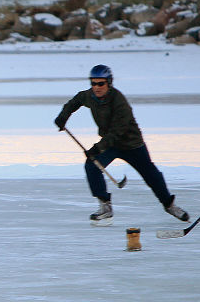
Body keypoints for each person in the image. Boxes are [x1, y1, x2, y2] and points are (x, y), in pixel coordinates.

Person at [54, 64, 188, 225]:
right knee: (92, 166)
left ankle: (169, 205)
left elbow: (118, 131)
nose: (96, 87)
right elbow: (75, 101)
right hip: (110, 145)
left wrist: (98, 148)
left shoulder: (119, 101)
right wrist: (63, 116)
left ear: (109, 83)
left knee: (151, 174)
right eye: (93, 83)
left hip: (131, 144)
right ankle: (105, 207)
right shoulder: (90, 96)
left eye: (101, 83)